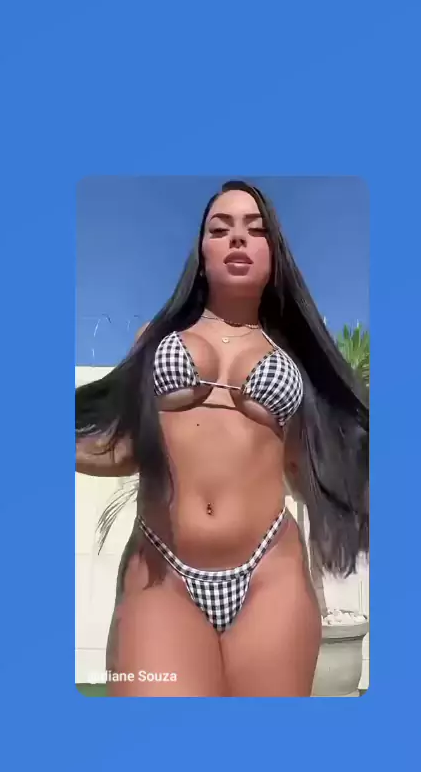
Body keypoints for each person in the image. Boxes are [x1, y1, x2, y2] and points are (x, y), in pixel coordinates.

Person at [75, 180, 369, 697]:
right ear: (202, 251)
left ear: (274, 254)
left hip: (270, 573)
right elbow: (125, 447)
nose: (237, 238)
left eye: (255, 230)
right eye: (220, 228)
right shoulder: (156, 340)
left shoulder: (291, 356)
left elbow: (307, 464)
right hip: (161, 571)